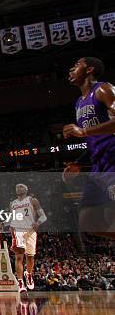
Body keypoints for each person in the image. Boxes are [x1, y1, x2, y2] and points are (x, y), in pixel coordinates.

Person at [63, 57, 115, 237]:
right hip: (98, 165)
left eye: (76, 65)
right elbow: (96, 139)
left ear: (89, 69)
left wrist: (83, 131)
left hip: (113, 160)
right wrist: (78, 162)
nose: (71, 69)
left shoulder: (103, 89)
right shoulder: (79, 102)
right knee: (88, 222)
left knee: (110, 216)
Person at [7, 184, 46, 292]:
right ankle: (20, 282)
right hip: (18, 231)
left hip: (30, 231)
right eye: (17, 187)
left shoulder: (33, 200)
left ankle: (28, 274)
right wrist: (7, 224)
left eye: (21, 187)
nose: (18, 188)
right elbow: (11, 217)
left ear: (26, 189)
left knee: (30, 257)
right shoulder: (12, 203)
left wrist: (38, 222)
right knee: (19, 257)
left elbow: (43, 216)